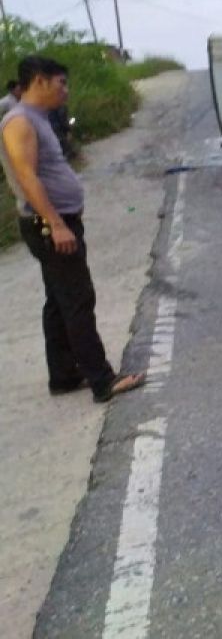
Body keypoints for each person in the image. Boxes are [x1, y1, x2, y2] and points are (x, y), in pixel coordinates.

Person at [0, 55, 145, 402]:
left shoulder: (38, 117)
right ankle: (102, 380)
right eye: (61, 82)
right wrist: (56, 223)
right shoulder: (19, 121)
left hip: (56, 221)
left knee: (58, 300)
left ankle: (63, 375)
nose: (66, 90)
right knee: (78, 299)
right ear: (39, 81)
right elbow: (26, 176)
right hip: (50, 225)